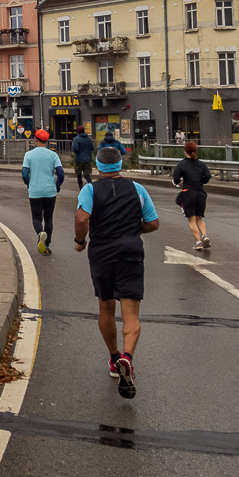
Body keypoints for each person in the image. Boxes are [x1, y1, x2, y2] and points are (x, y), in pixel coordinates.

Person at [74, 145, 160, 399]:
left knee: (106, 307)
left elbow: (81, 219)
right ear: (119, 165)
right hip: (131, 252)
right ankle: (128, 357)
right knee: (131, 312)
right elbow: (154, 223)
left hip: (102, 253)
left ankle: (114, 360)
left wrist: (80, 242)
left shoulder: (90, 190)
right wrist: (133, 231)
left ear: (98, 166)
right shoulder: (137, 189)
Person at [23, 129, 65, 255]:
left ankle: (40, 233)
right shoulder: (53, 155)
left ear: (35, 139)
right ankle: (46, 246)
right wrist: (57, 185)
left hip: (35, 191)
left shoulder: (28, 155)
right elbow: (61, 174)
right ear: (46, 141)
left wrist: (28, 184)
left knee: (36, 218)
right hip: (49, 191)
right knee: (48, 219)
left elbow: (25, 174)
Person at [172, 140, 212, 251]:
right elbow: (208, 177)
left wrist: (179, 182)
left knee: (191, 219)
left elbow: (175, 179)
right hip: (200, 193)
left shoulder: (181, 165)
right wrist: (201, 181)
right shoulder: (201, 164)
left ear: (186, 152)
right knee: (199, 218)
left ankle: (198, 242)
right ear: (195, 151)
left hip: (188, 193)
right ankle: (204, 235)